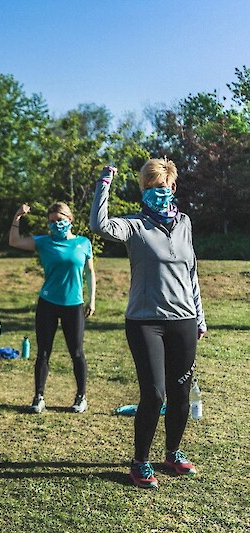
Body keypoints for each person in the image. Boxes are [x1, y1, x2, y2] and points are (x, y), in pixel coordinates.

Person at [90, 160, 206, 489]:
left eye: (165, 186)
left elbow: (191, 272)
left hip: (183, 320)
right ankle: (140, 461)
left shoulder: (184, 222)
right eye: (153, 187)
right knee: (154, 394)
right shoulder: (134, 226)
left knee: (181, 394)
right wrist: (104, 184)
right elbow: (99, 226)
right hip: (144, 322)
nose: (160, 192)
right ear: (143, 190)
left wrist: (199, 316)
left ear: (173, 188)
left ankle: (173, 453)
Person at [9, 202, 96, 414]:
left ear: (70, 219)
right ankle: (38, 397)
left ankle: (81, 397)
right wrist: (17, 217)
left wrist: (91, 299)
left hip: (73, 305)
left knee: (76, 352)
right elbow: (14, 241)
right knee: (43, 353)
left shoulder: (83, 243)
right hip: (48, 303)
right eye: (52, 221)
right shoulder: (43, 242)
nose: (56, 224)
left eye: (60, 220)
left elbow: (90, 272)